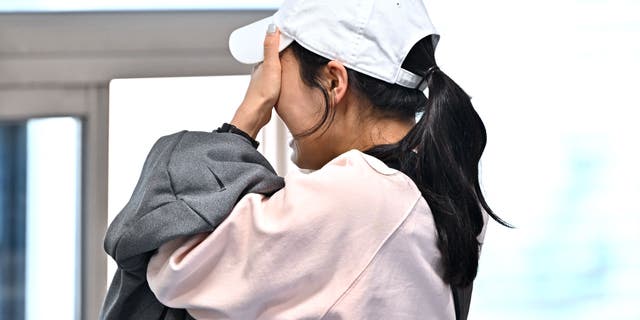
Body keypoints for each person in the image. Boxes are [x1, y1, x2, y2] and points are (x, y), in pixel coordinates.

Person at [101, 0, 510, 319]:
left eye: (278, 72)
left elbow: (175, 264)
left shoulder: (365, 197)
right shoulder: (432, 189)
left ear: (333, 81)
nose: (272, 94)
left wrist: (243, 123)